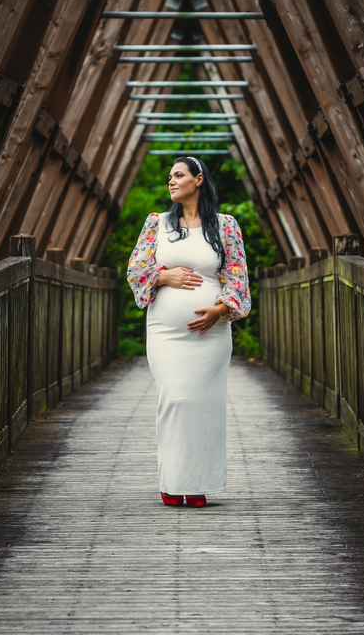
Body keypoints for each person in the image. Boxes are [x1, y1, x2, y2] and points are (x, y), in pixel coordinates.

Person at [125, 156, 251, 507]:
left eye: (178, 175)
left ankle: (195, 483)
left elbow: (238, 278)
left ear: (198, 180)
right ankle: (172, 479)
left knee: (203, 404)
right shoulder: (157, 224)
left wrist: (220, 310)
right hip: (166, 333)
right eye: (169, 176)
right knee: (176, 398)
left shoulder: (225, 226)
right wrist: (163, 276)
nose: (171, 180)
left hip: (210, 335)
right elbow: (136, 270)